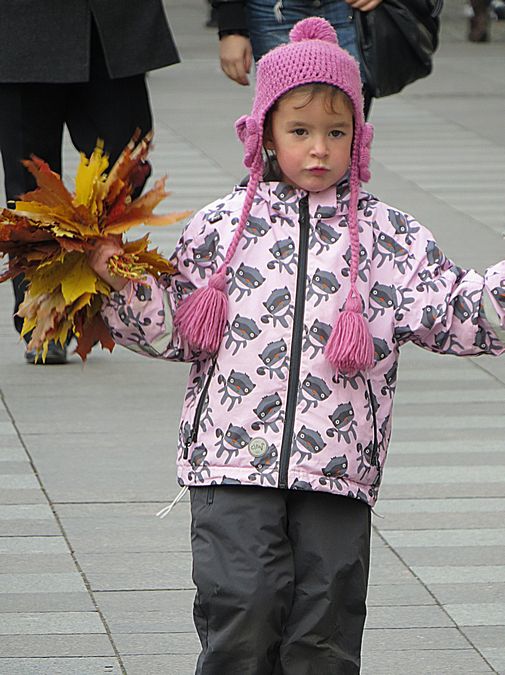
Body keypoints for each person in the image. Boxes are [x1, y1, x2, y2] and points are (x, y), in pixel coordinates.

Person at [88, 18, 505, 673]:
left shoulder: (388, 237)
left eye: (336, 132)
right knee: (242, 609)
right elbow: (172, 330)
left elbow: (458, 308)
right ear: (263, 133)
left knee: (324, 628)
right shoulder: (222, 229)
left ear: (358, 138)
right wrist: (122, 283)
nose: (318, 149)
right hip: (230, 463)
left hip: (336, 468)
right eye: (299, 131)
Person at [0, 0, 179, 364]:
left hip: (111, 22)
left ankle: (93, 286)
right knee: (29, 182)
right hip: (20, 22)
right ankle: (44, 315)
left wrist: (231, 19)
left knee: (124, 169)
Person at [211, 0, 382, 116]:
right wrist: (231, 22)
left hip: (347, 8)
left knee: (347, 135)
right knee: (288, 129)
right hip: (274, 9)